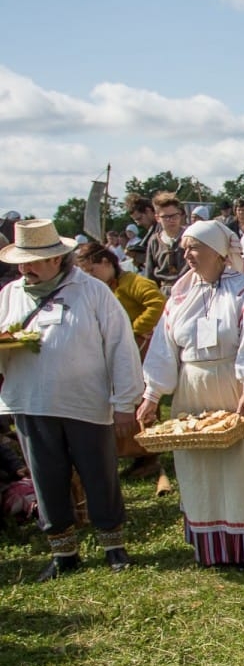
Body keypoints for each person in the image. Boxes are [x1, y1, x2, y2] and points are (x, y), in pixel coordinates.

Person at [138, 221, 244, 567]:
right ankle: (214, 545)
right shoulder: (179, 296)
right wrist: (152, 395)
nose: (187, 255)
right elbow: (164, 349)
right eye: (185, 248)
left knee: (243, 466)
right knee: (202, 468)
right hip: (192, 390)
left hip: (233, 385)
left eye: (194, 247)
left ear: (217, 251)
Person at [0, 220, 143, 580]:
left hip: (85, 402)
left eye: (32, 260)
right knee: (47, 479)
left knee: (100, 475)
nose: (24, 268)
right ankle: (64, 552)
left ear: (55, 259)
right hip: (30, 400)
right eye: (22, 261)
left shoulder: (92, 291)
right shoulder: (10, 294)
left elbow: (121, 347)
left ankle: (114, 546)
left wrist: (125, 401)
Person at [75, 242, 171, 491]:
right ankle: (133, 453)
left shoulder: (134, 283)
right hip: (115, 351)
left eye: (92, 270)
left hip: (139, 350)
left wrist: (133, 330)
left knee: (140, 399)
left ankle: (148, 455)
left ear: (107, 263)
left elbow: (158, 303)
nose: (89, 276)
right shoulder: (102, 289)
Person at [144, 191, 187, 289]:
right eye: (166, 217)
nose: (171, 220)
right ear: (158, 218)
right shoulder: (154, 241)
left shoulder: (190, 236)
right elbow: (149, 275)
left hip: (188, 289)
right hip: (165, 292)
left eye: (174, 215)